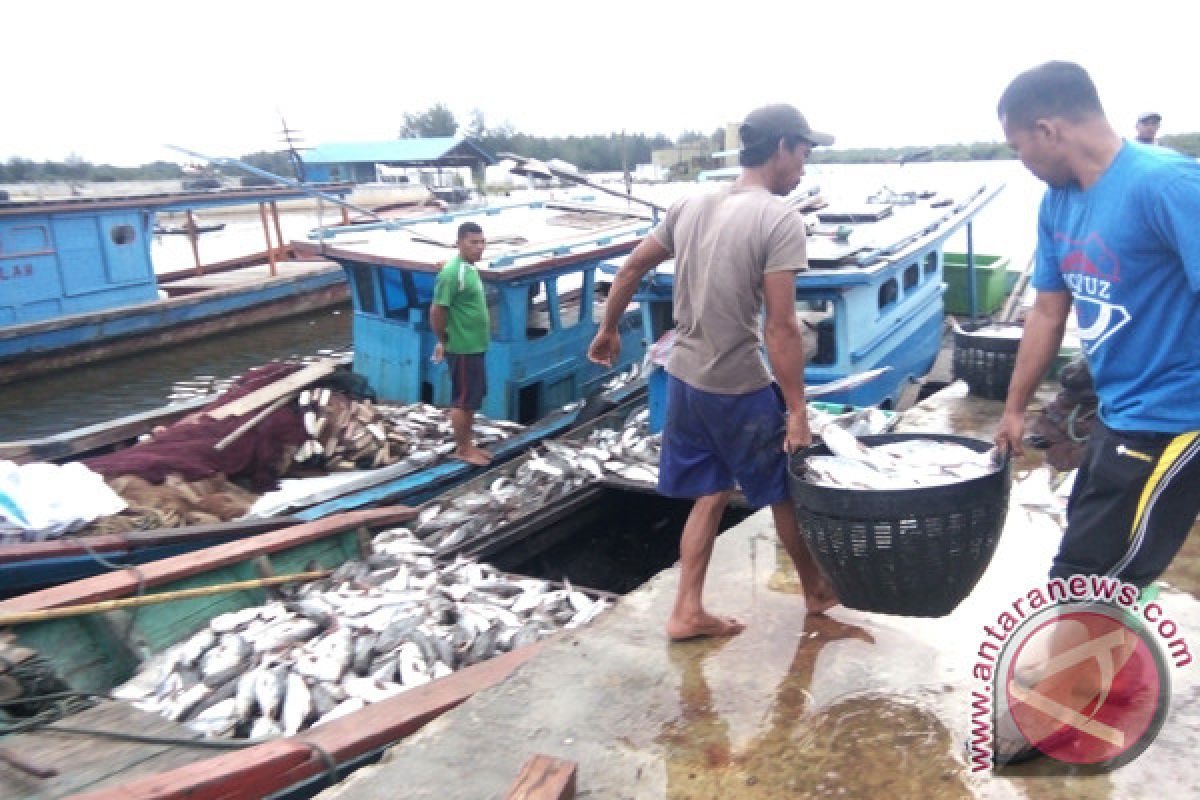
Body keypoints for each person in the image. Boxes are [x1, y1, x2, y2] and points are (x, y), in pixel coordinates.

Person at [993, 61, 1200, 762]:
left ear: (1048, 129)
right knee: (1088, 555)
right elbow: (1049, 311)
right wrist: (1016, 409)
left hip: (1178, 417)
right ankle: (1089, 679)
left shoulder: (1166, 185)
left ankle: (1059, 710)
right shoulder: (1059, 204)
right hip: (1119, 409)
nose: (1021, 162)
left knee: (1102, 570)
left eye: (1020, 146)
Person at [588, 103, 839, 641]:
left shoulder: (690, 203)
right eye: (805, 151)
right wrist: (797, 411)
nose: (805, 165)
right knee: (782, 489)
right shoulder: (779, 218)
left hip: (685, 377)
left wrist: (607, 329)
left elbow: (631, 268)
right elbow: (782, 327)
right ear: (782, 148)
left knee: (712, 489)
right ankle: (816, 591)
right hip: (737, 384)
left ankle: (687, 610)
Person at [430, 221, 493, 466]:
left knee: (473, 397)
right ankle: (463, 449)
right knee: (463, 400)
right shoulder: (451, 273)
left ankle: (468, 443)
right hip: (463, 348)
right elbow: (437, 311)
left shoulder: (467, 268)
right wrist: (443, 340)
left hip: (475, 346)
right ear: (459, 243)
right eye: (472, 242)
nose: (479, 247)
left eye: (481, 242)